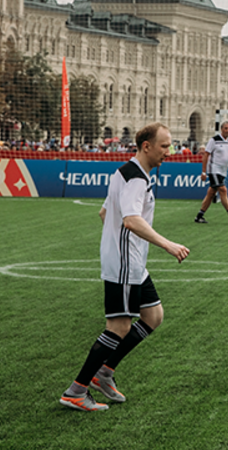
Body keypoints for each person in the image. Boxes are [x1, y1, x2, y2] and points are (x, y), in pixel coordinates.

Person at [59, 123, 191, 411]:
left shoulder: (127, 171)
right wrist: (166, 245)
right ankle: (76, 390)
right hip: (124, 263)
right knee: (118, 327)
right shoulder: (135, 179)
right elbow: (130, 219)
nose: (169, 152)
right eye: (164, 146)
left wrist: (117, 243)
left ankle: (104, 372)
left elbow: (105, 212)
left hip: (131, 261)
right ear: (147, 146)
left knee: (153, 316)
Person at [195, 121, 228, 224]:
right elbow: (206, 155)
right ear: (221, 129)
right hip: (214, 169)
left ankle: (199, 216)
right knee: (223, 190)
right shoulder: (214, 140)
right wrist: (204, 172)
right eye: (226, 128)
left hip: (223, 171)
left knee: (211, 193)